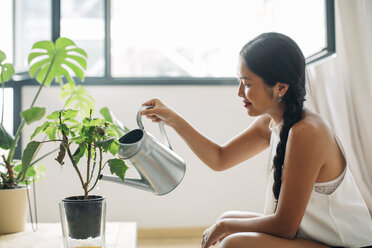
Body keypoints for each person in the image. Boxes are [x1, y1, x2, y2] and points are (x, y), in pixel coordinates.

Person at [140, 32, 372, 248]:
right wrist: (172, 119)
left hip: (348, 245)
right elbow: (220, 159)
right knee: (227, 219)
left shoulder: (307, 132)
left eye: (247, 84)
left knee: (232, 242)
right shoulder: (272, 122)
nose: (239, 92)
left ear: (281, 87)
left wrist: (224, 228)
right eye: (239, 81)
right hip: (312, 237)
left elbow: (285, 226)